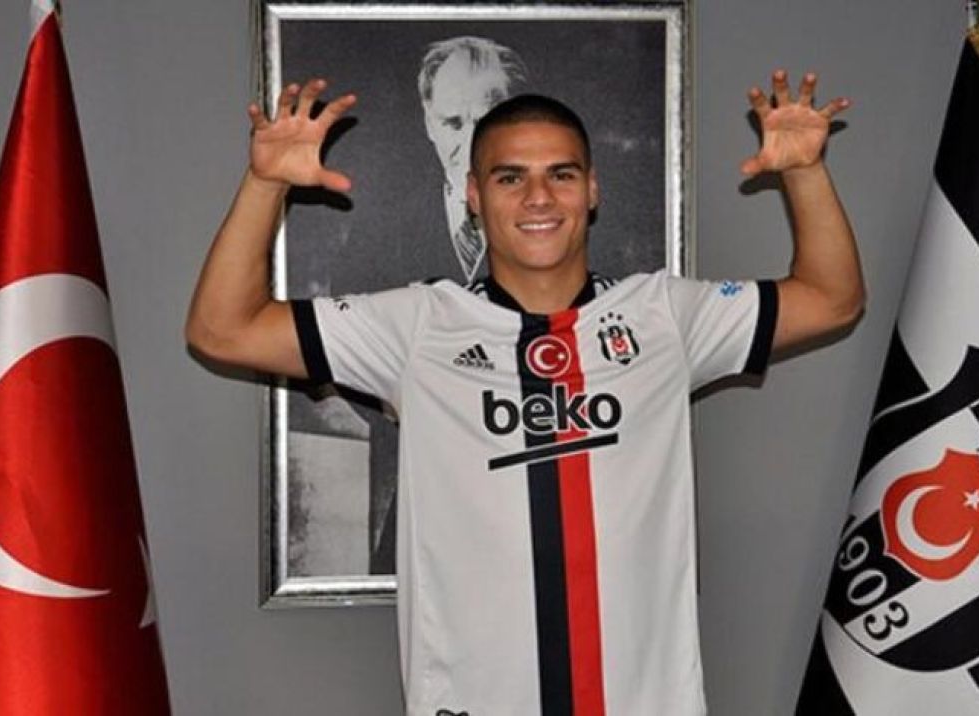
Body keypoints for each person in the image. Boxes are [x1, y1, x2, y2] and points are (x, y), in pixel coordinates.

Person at [187, 72, 863, 714]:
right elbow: (222, 330)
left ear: (591, 190)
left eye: (560, 175)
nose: (539, 198)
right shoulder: (419, 326)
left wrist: (805, 172)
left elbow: (832, 299)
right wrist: (265, 184)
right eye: (510, 177)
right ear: (473, 196)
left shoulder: (665, 316)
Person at [418, 36, 529, 281]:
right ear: (429, 123)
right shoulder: (380, 228)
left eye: (485, 123)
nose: (470, 145)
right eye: (453, 123)